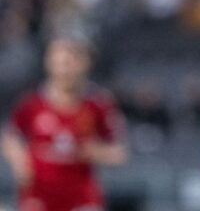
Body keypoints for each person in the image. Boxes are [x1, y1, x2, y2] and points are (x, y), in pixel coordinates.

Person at [1, 36, 128, 211]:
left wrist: (95, 152)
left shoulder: (99, 105)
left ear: (84, 64)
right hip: (39, 193)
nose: (65, 70)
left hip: (81, 193)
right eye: (60, 63)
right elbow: (10, 137)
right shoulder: (31, 104)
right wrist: (19, 160)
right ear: (49, 64)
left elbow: (120, 154)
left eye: (71, 62)